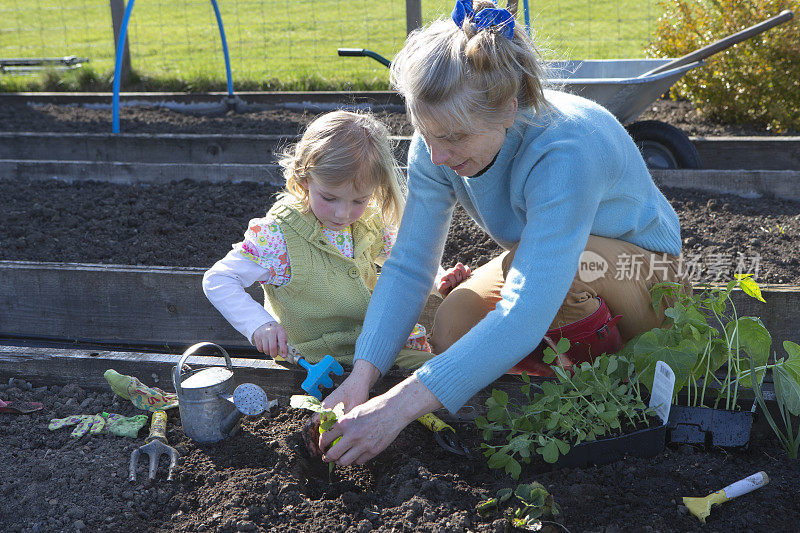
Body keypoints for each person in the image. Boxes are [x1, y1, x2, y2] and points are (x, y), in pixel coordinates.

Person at [315, 0, 690, 467]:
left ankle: (608, 396)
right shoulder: (436, 147)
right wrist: (362, 378)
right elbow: (410, 264)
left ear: (508, 110)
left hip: (649, 278)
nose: (437, 155)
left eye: (453, 139)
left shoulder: (566, 150)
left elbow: (524, 307)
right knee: (450, 323)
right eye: (425, 133)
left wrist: (394, 411)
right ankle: (542, 371)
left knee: (548, 278)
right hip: (548, 264)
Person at [202, 110, 470, 366]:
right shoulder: (279, 237)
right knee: (440, 373)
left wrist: (440, 280)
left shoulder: (367, 220)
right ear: (305, 178)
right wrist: (260, 324)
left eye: (358, 200)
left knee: (446, 365)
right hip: (313, 359)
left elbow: (407, 259)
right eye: (329, 198)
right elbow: (219, 279)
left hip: (368, 345)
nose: (343, 213)